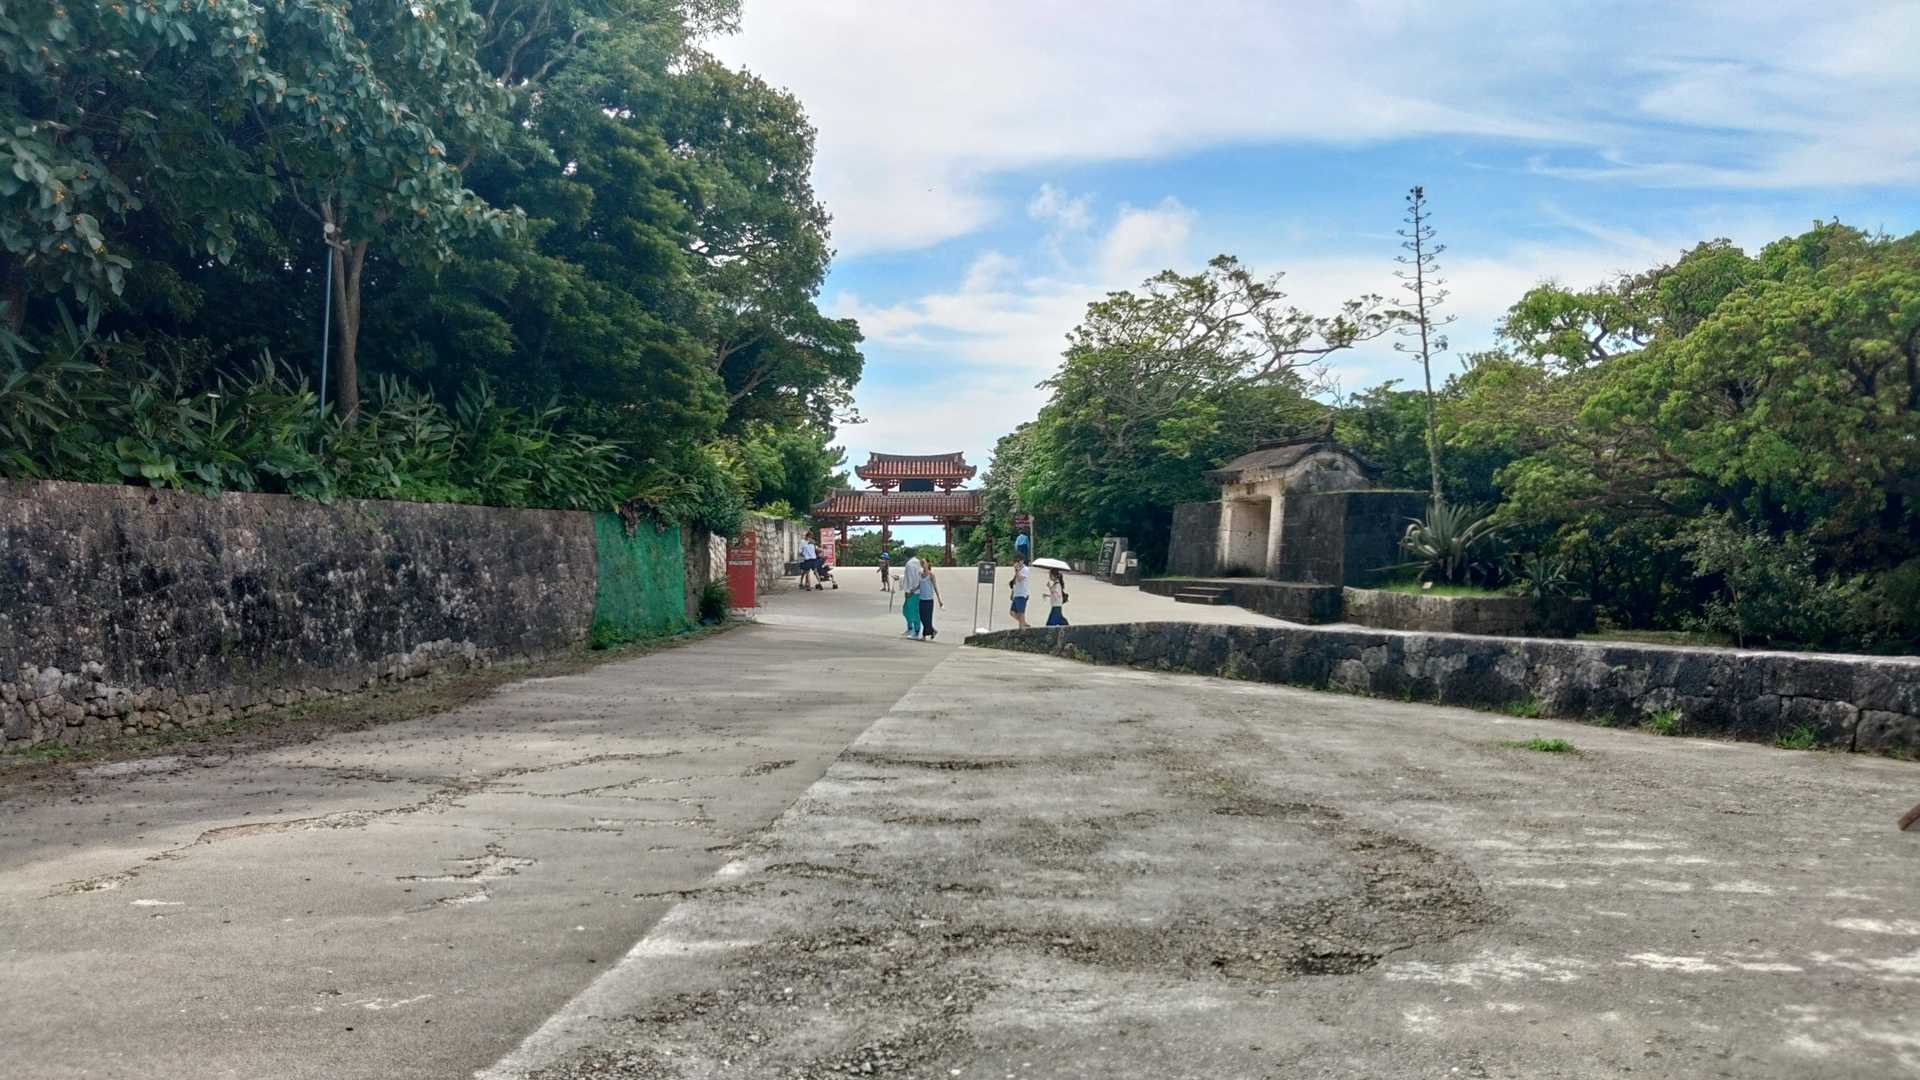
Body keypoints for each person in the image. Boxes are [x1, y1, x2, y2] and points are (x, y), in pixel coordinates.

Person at [916, 558, 943, 641]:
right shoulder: (920, 573)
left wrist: (939, 600)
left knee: (927, 618)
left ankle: (924, 636)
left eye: (923, 562)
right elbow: (919, 585)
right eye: (921, 563)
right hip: (921, 598)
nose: (922, 564)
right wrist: (913, 590)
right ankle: (933, 631)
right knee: (922, 617)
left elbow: (935, 587)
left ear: (928, 563)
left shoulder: (931, 575)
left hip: (929, 599)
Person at [899, 553, 923, 639]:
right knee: (910, 610)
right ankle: (911, 628)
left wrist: (909, 590)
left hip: (912, 592)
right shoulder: (917, 562)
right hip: (917, 591)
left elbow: (910, 578)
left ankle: (915, 631)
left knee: (911, 611)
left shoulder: (909, 564)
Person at [1007, 556, 1031, 629]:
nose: (1017, 563)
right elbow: (1015, 583)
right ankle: (1023, 623)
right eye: (1016, 561)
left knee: (1021, 612)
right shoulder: (1019, 570)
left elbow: (1020, 579)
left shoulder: (1025, 569)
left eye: (1018, 561)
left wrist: (1017, 571)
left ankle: (1022, 627)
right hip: (1016, 594)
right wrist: (1012, 593)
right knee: (1012, 612)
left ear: (1022, 561)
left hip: (1022, 594)